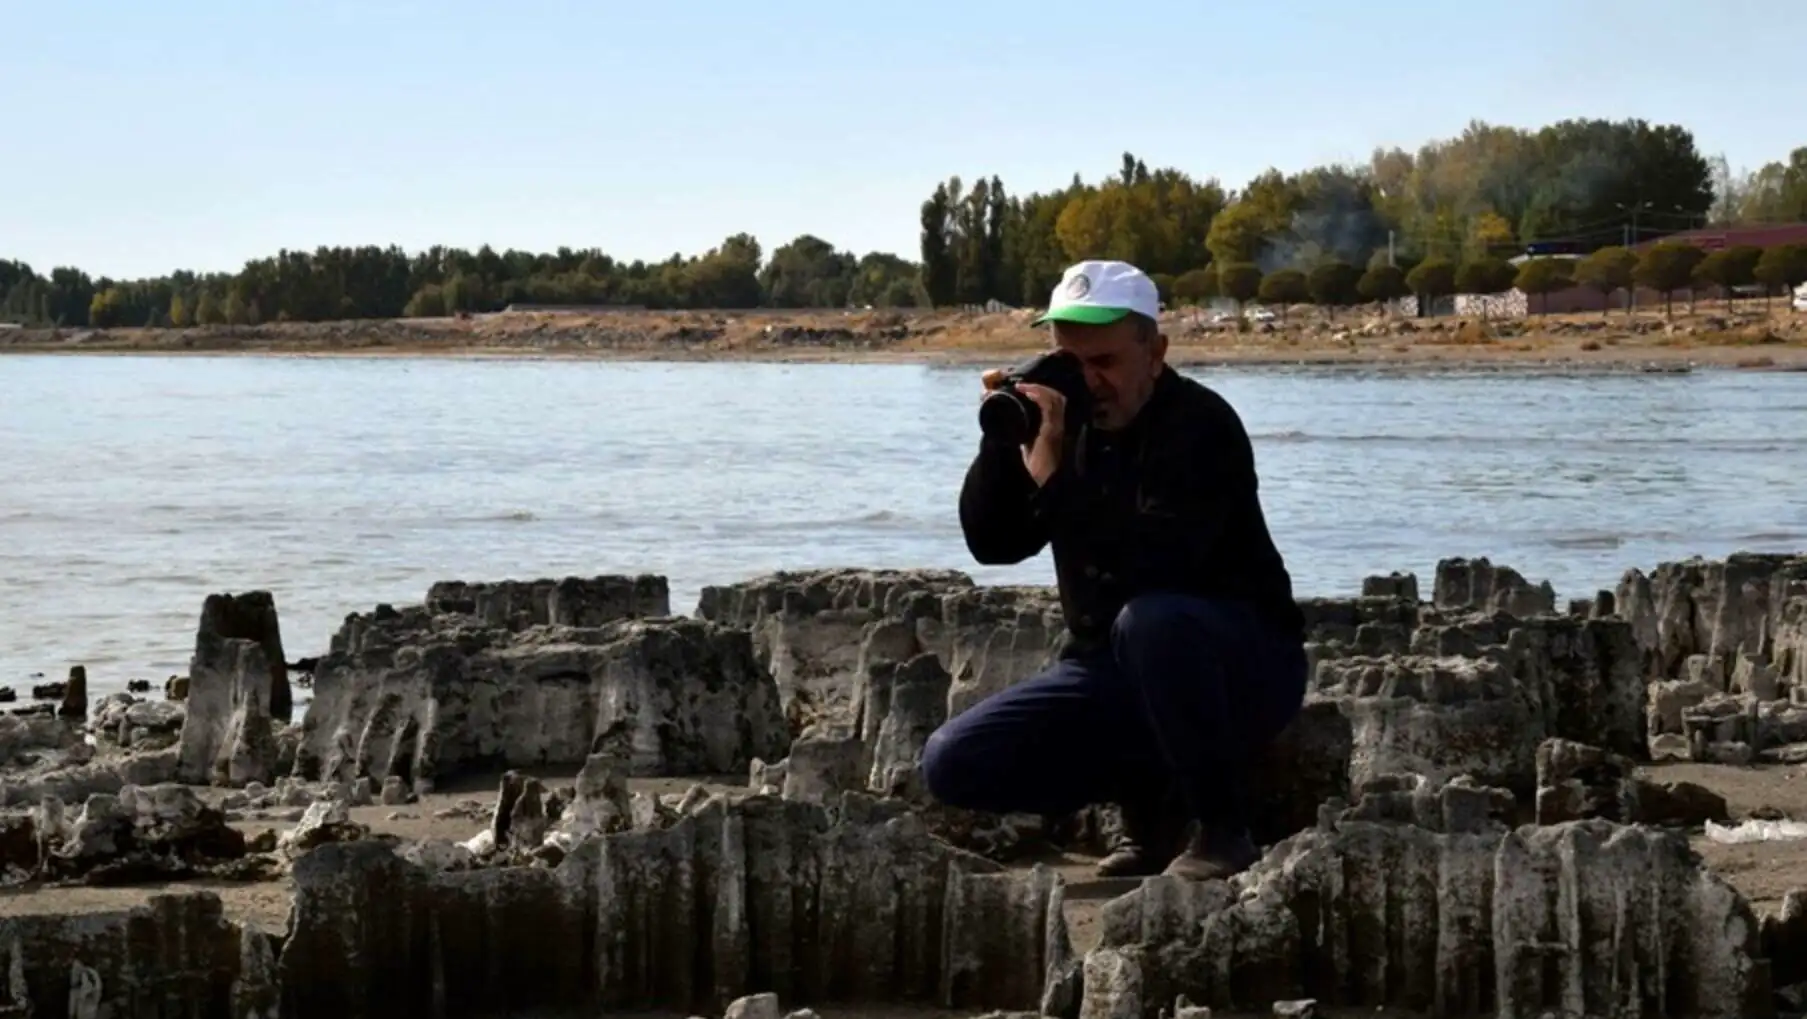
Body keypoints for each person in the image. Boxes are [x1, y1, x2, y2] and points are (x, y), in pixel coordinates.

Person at [918, 258, 1308, 881]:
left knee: (1151, 623)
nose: (1089, 382)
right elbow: (993, 544)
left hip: (1245, 665)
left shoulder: (1201, 426)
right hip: (1113, 669)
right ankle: (1152, 810)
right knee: (952, 762)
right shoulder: (1064, 427)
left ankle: (1222, 830)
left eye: (1104, 362)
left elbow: (1151, 562)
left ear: (1155, 353)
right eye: (1070, 362)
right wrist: (1003, 441)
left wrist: (1053, 481)